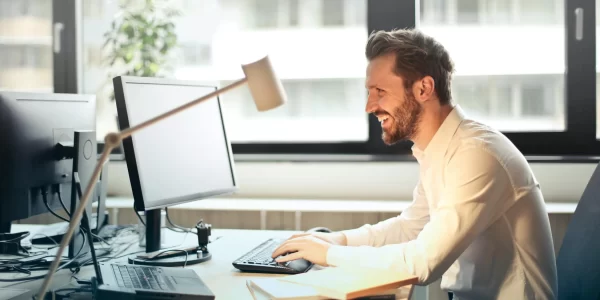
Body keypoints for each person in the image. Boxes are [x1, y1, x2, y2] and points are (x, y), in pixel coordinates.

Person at [271, 28, 558, 300]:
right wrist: (337, 241)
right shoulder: (441, 149)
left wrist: (328, 255)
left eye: (380, 91)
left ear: (424, 89)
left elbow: (422, 263)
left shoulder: (477, 155)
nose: (369, 106)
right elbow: (411, 227)